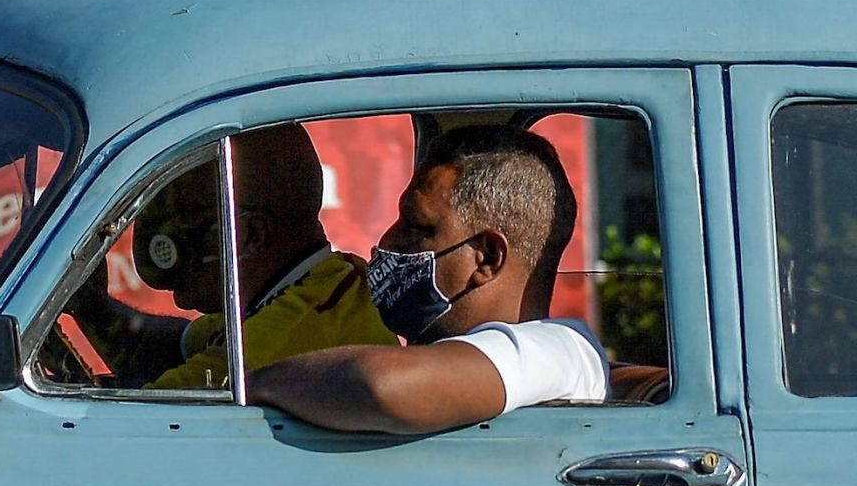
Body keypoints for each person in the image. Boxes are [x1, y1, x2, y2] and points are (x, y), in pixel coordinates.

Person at [249, 125, 609, 433]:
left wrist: (247, 385)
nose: (387, 242)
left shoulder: (564, 351)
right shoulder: (441, 357)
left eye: (416, 227)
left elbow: (383, 385)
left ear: (486, 258)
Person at [71, 123, 395, 389]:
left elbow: (140, 425)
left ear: (249, 235)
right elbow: (174, 348)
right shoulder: (319, 286)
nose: (179, 289)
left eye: (185, 241)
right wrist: (91, 307)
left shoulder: (281, 339)